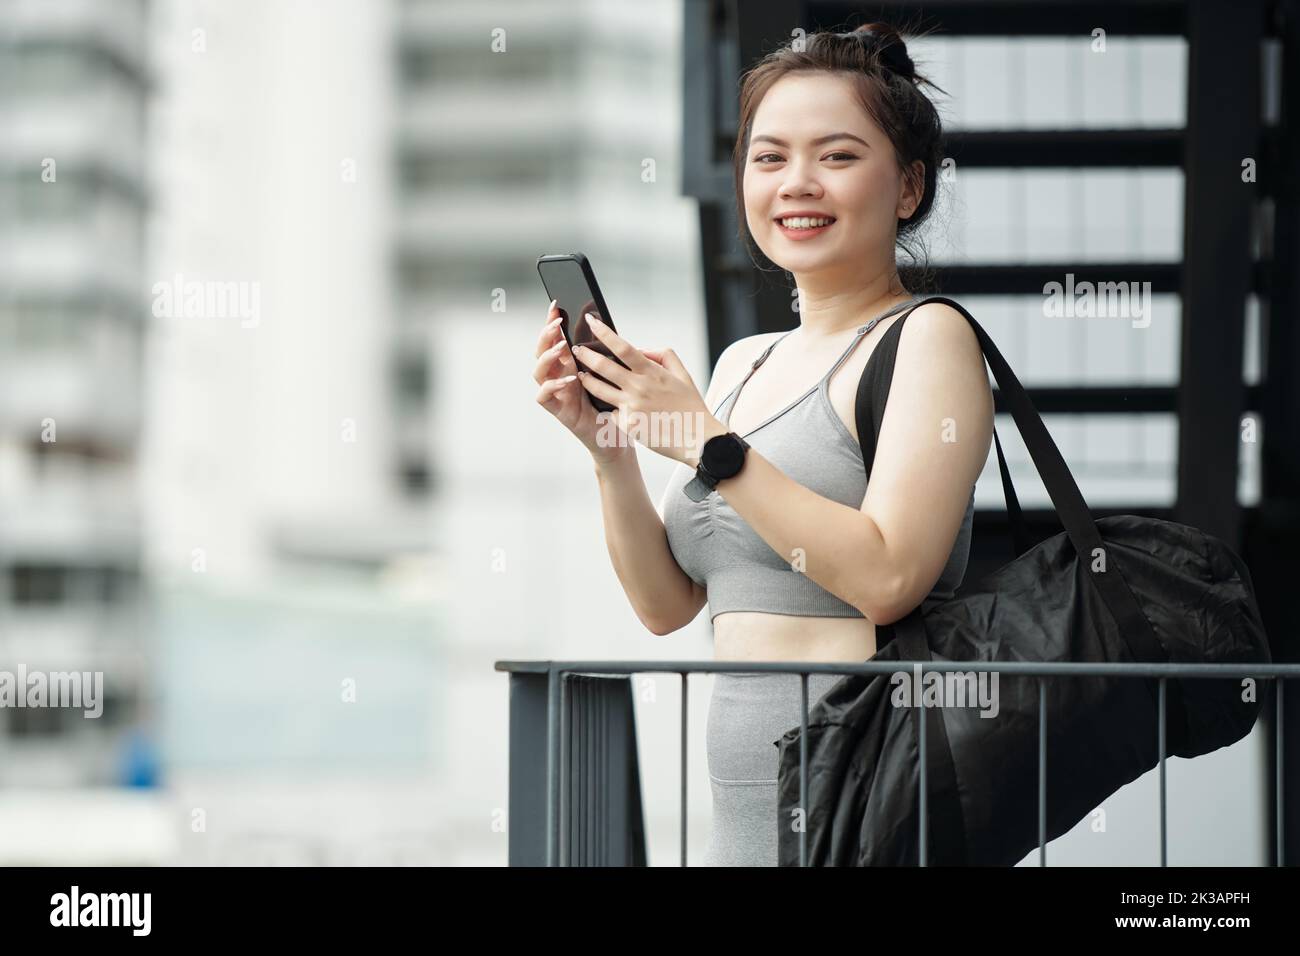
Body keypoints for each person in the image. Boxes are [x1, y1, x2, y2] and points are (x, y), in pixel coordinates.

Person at [532, 22, 994, 866]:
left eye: (839, 156)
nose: (797, 184)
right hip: (743, 829)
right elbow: (669, 607)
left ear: (908, 187)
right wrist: (612, 452)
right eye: (770, 157)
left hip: (871, 809)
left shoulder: (928, 339)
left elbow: (889, 578)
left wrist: (711, 444)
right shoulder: (747, 361)